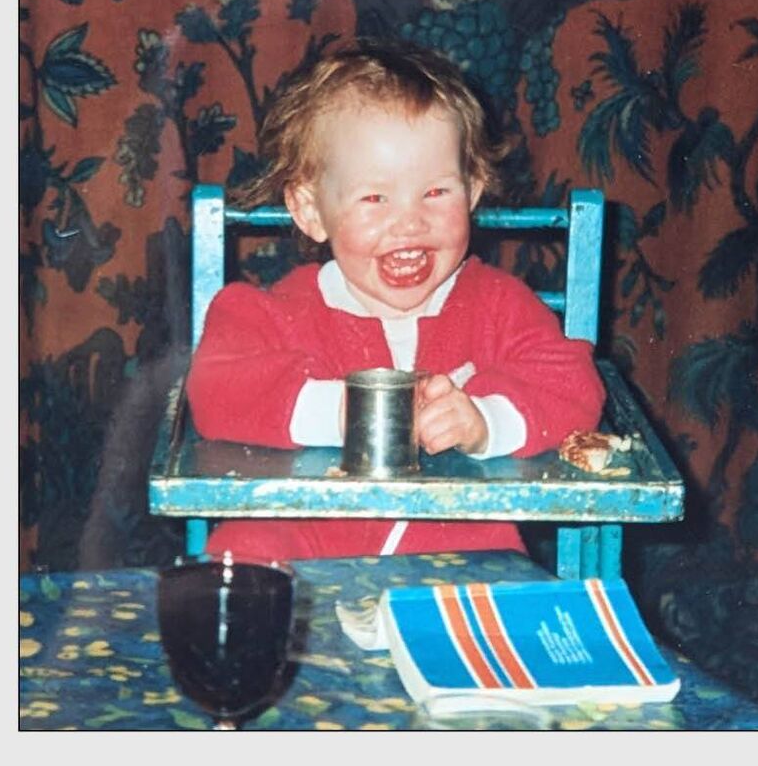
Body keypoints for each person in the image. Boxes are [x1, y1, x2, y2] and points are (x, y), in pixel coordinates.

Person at [186, 39, 606, 563]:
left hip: (458, 544)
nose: (409, 222)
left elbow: (573, 384)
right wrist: (341, 411)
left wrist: (484, 422)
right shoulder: (270, 313)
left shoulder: (499, 304)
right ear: (311, 210)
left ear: (473, 190)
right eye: (374, 198)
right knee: (239, 560)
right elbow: (214, 386)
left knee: (513, 592)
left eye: (436, 193)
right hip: (303, 538)